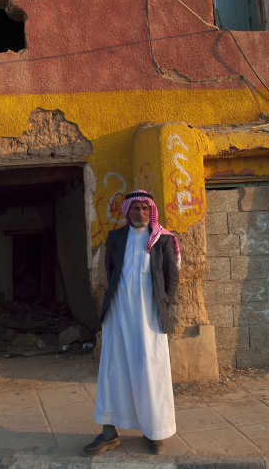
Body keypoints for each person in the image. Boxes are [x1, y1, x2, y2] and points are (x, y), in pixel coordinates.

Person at [84, 190, 180, 457]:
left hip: (149, 320)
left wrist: (162, 303)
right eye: (135, 209)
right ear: (127, 211)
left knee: (151, 371)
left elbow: (171, 278)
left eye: (145, 209)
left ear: (152, 212)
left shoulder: (163, 239)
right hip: (118, 316)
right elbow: (110, 271)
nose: (140, 213)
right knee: (113, 370)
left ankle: (155, 431)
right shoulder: (115, 238)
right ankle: (108, 432)